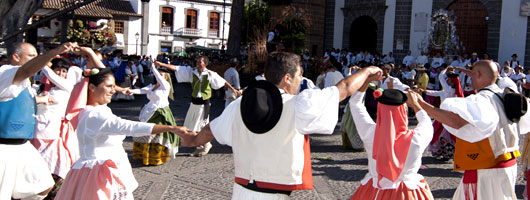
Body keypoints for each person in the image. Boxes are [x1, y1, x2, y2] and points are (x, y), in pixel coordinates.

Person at [180, 52, 382, 199]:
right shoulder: (298, 105)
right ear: (287, 79)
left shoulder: (241, 104)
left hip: (241, 191)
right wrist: (368, 71)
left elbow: (210, 130)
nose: (300, 80)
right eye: (299, 75)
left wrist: (192, 139)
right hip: (274, 194)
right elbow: (344, 88)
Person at [55, 67, 191, 199]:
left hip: (91, 170)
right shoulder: (96, 116)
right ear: (91, 88)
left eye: (114, 86)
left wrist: (92, 56)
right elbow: (130, 127)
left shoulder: (93, 110)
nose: (113, 91)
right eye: (109, 87)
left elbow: (102, 75)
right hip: (100, 174)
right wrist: (170, 128)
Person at [410, 60, 530, 200]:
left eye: (473, 75)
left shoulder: (483, 99)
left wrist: (421, 104)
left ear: (478, 74)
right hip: (507, 164)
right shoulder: (503, 95)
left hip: (488, 169)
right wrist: (472, 72)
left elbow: (456, 121)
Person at [0, 42, 77, 200]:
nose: (36, 60)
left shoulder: (26, 82)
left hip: (22, 145)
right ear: (16, 57)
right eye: (31, 56)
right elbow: (26, 70)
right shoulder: (5, 72)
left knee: (43, 185)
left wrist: (38, 99)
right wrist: (53, 52)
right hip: (4, 145)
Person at [349, 84, 434, 199]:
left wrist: (367, 79)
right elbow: (426, 123)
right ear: (404, 112)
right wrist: (416, 104)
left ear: (379, 110)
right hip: (408, 192)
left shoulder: (370, 133)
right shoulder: (417, 138)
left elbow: (355, 104)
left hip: (375, 191)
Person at [156, 56, 240, 157]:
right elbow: (176, 68)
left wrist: (234, 90)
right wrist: (161, 64)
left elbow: (223, 81)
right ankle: (201, 145)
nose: (198, 63)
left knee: (199, 125)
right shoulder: (192, 72)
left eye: (200, 62)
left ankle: (203, 145)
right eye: (197, 62)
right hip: (194, 103)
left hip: (203, 104)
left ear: (205, 64)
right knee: (190, 124)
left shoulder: (210, 74)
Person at [131, 65, 179, 166]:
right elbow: (141, 90)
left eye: (162, 74)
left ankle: (157, 157)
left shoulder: (166, 85)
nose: (159, 75)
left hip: (161, 112)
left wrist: (153, 68)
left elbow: (159, 78)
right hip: (149, 111)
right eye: (159, 73)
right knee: (146, 133)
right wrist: (130, 91)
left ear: (166, 77)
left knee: (159, 134)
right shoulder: (152, 86)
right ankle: (145, 155)